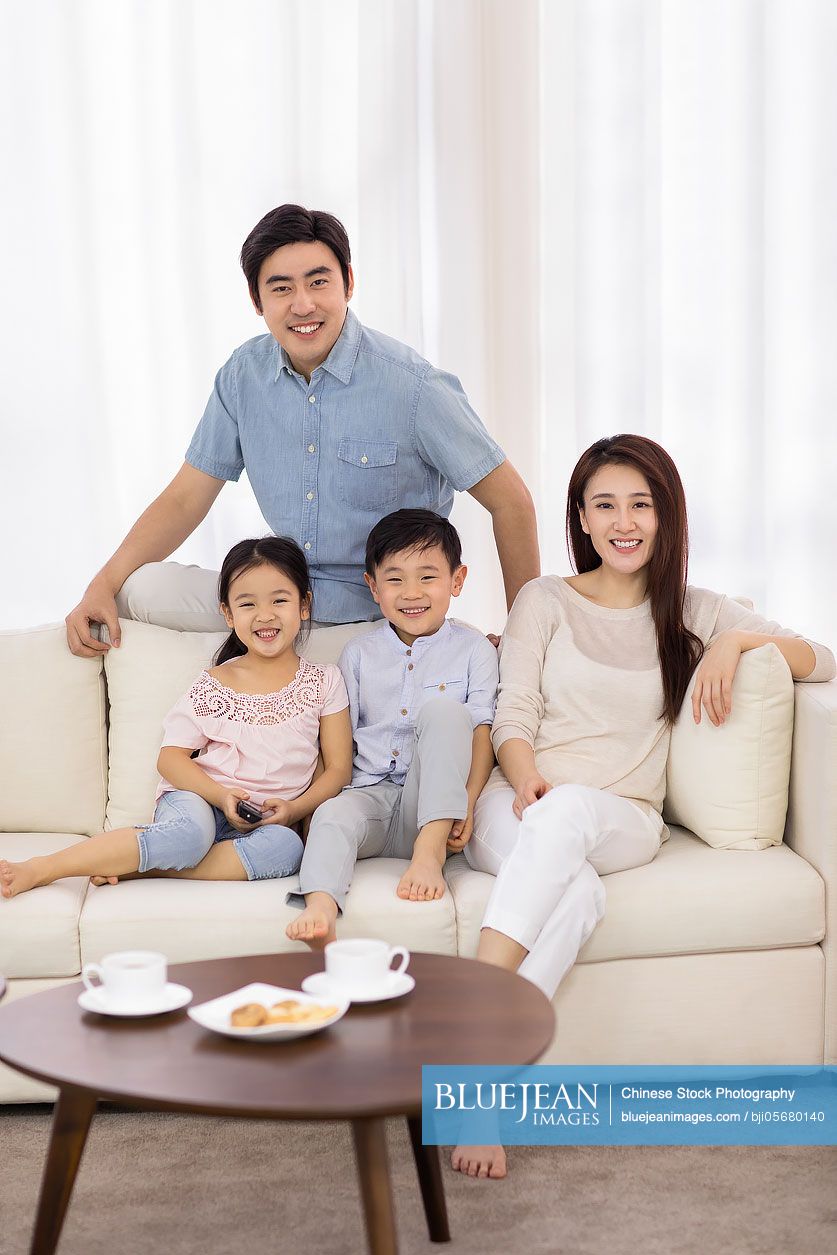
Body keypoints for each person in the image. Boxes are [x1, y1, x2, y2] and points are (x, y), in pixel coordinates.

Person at [451, 433, 836, 1181]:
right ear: (582, 519)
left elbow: (827, 657)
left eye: (640, 503)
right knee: (578, 889)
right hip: (516, 807)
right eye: (604, 505)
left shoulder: (694, 610)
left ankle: (468, 1054)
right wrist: (525, 776)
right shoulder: (544, 599)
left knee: (569, 821)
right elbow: (512, 716)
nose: (623, 520)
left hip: (620, 816)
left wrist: (735, 645)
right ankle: (488, 1083)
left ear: (664, 515)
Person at [64, 204, 539, 657]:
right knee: (138, 588)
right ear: (257, 300)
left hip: (374, 619)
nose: (304, 305)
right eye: (282, 288)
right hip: (280, 597)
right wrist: (101, 584)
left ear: (348, 283)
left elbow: (511, 501)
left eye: (319, 282)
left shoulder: (414, 387)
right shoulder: (242, 376)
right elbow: (186, 499)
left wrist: (522, 641)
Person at [1, 537, 352, 899]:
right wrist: (220, 796)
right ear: (229, 614)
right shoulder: (214, 684)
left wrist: (295, 809)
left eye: (280, 600)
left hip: (262, 820)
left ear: (304, 605)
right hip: (199, 799)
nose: (265, 615)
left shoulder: (323, 681)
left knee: (286, 849)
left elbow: (339, 769)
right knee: (189, 836)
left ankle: (143, 867)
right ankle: (44, 867)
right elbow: (170, 758)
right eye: (248, 604)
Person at [285, 509, 499, 949]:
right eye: (395, 579)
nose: (412, 592)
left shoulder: (475, 649)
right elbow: (337, 744)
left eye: (428, 576)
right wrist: (311, 807)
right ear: (373, 587)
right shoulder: (359, 653)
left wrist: (469, 802)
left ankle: (428, 854)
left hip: (432, 807)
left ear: (457, 581)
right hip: (370, 797)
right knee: (333, 816)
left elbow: (481, 733)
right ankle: (322, 903)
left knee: (445, 712)